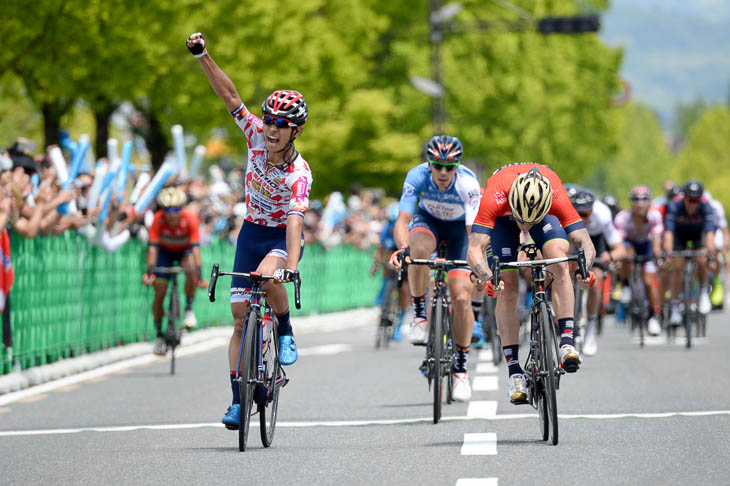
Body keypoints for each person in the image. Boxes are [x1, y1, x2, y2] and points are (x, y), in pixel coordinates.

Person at [187, 32, 313, 429]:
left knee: (268, 277)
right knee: (240, 317)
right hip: (251, 232)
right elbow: (230, 97)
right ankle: (238, 399)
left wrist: (291, 265)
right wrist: (203, 55)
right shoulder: (255, 134)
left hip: (280, 236)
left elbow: (295, 221)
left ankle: (286, 327)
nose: (273, 130)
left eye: (283, 125)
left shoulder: (299, 172)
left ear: (296, 132)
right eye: (271, 121)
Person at [466, 164, 596, 405]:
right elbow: (474, 250)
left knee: (559, 261)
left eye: (530, 222)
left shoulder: (554, 191)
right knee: (507, 288)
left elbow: (585, 242)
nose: (525, 227)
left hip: (544, 217)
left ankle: (567, 340)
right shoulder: (495, 194)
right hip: (503, 221)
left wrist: (585, 269)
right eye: (522, 220)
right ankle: (515, 372)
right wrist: (487, 277)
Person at [388, 135, 481, 402]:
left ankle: (461, 370)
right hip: (428, 222)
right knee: (416, 251)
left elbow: (473, 232)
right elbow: (403, 220)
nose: (442, 172)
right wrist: (401, 249)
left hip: (459, 232)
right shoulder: (417, 176)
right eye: (437, 165)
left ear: (457, 167)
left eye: (449, 166)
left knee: (461, 296)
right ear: (429, 164)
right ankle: (419, 315)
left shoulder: (468, 183)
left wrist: (476, 262)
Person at [142, 187, 206, 354]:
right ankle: (158, 334)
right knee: (160, 292)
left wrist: (200, 274)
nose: (172, 214)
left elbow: (196, 250)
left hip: (184, 252)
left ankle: (188, 309)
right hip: (164, 253)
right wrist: (150, 272)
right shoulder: (158, 220)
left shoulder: (190, 219)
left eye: (177, 209)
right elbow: (152, 249)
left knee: (190, 268)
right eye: (168, 210)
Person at [570, 189, 625, 355]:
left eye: (585, 214)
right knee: (563, 268)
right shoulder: (565, 216)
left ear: (592, 211)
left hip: (596, 240)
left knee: (596, 280)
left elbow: (620, 249)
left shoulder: (602, 216)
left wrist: (610, 255)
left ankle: (590, 330)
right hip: (572, 238)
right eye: (578, 214)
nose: (582, 218)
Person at [613, 186, 664, 335]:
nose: (640, 203)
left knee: (649, 282)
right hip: (629, 244)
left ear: (650, 201)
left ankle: (653, 316)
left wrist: (657, 256)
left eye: (644, 199)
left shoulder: (655, 216)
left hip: (646, 245)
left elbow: (656, 241)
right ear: (631, 202)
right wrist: (619, 260)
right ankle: (626, 284)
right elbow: (619, 243)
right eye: (636, 199)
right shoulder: (622, 217)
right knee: (626, 253)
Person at [664, 179, 716, 325]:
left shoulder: (706, 207)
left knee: (702, 259)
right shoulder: (675, 206)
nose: (693, 203)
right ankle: (675, 309)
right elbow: (669, 232)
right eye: (689, 199)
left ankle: (704, 291)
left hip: (697, 236)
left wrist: (710, 253)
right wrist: (668, 253)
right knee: (677, 267)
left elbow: (710, 234)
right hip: (679, 237)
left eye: (696, 200)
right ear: (683, 197)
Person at [370, 202, 410, 341]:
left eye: (395, 223)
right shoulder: (386, 229)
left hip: (405, 252)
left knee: (405, 290)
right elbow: (381, 249)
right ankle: (384, 297)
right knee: (386, 269)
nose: (393, 228)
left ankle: (399, 323)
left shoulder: (408, 229)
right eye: (391, 223)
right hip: (391, 252)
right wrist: (376, 265)